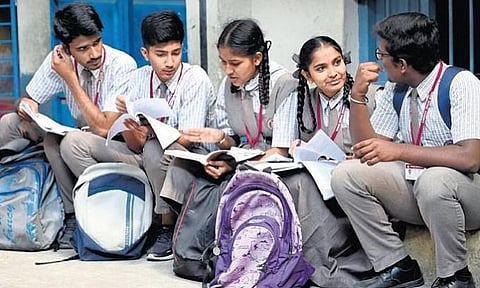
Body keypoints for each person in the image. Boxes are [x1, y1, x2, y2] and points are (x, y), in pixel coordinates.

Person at [331, 12, 480, 287]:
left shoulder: (461, 84)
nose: (379, 60)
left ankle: (455, 277)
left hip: (467, 197)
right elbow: (368, 149)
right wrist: (358, 96)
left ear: (401, 64)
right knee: (346, 174)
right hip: (420, 193)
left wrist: (399, 151)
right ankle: (398, 266)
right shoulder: (396, 89)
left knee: (433, 179)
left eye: (382, 54)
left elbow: (470, 157)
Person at [0, 3, 137, 249]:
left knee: (67, 142)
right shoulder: (60, 59)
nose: (94, 53)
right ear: (66, 48)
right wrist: (26, 106)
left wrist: (70, 78)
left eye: (97, 42)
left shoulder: (121, 64)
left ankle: (75, 217)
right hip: (81, 140)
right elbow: (29, 97)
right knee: (11, 123)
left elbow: (104, 127)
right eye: (83, 49)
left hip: (120, 149)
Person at [104, 10, 215, 261]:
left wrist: (151, 132)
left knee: (156, 150)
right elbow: (136, 143)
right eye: (161, 54)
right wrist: (130, 123)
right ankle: (132, 223)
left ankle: (166, 226)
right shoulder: (139, 79)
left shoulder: (194, 78)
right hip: (150, 153)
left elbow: (189, 137)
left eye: (176, 53)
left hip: (193, 155)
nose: (170, 62)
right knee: (82, 145)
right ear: (146, 54)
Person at [158, 18, 298, 214]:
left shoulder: (285, 84)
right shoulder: (229, 83)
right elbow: (232, 140)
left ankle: (206, 236)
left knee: (219, 190)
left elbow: (281, 152)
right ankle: (171, 228)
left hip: (272, 165)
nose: (228, 70)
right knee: (181, 166)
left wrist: (235, 167)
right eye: (223, 62)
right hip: (241, 158)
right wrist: (221, 138)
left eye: (235, 63)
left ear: (257, 58)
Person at [278, 36, 376, 286]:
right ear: (307, 75)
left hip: (355, 185)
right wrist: (295, 149)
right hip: (319, 184)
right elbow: (280, 151)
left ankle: (319, 265)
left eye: (337, 63)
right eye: (321, 68)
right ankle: (304, 262)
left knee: (301, 184)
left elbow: (387, 146)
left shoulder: (371, 97)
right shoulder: (298, 101)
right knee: (291, 180)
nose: (333, 73)